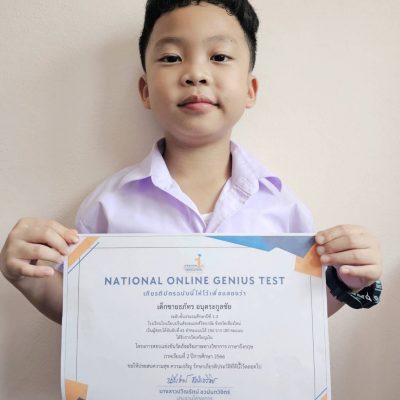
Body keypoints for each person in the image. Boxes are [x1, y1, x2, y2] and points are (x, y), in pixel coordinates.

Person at [0, 0, 382, 324]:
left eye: (219, 57)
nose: (196, 74)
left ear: (250, 90)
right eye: (171, 58)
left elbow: (297, 319)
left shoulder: (284, 211)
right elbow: (85, 317)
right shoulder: (107, 208)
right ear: (145, 90)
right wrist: (29, 278)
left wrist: (349, 280)